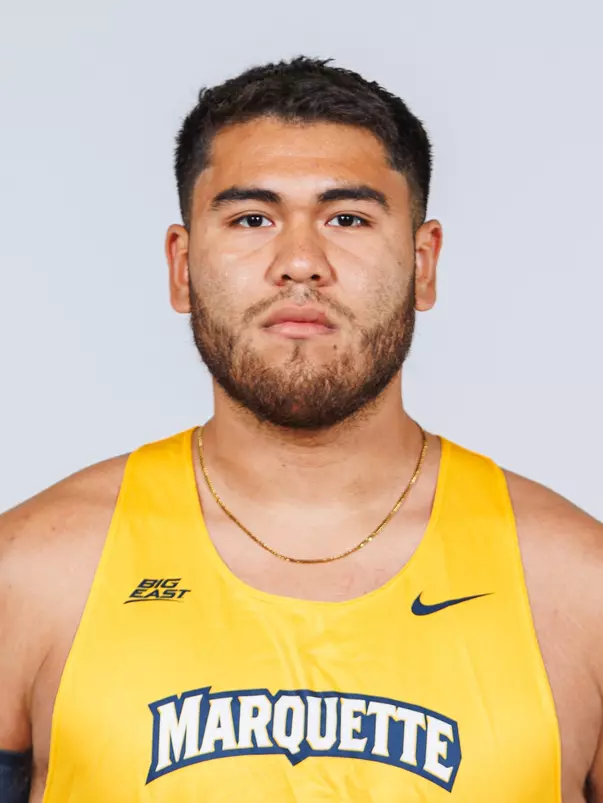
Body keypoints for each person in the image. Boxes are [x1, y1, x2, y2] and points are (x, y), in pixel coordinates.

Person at [0, 55, 601, 803]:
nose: (299, 262)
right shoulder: (28, 575)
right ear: (182, 268)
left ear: (423, 263)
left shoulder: (582, 587)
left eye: (346, 218)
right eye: (252, 218)